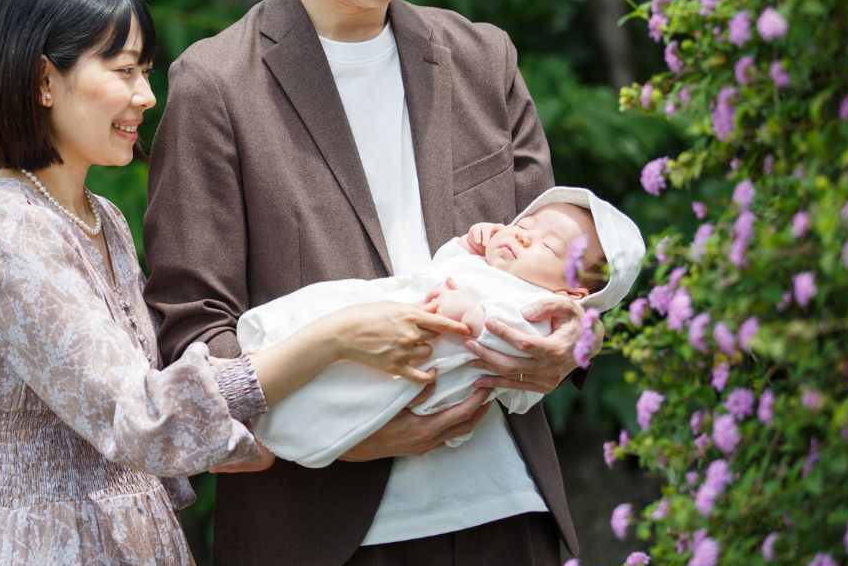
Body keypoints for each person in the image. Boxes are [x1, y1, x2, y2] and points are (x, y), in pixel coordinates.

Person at [145, 0, 602, 566]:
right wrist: (344, 442)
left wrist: (573, 341)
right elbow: (194, 338)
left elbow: (568, 267)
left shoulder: (482, 61)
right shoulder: (215, 86)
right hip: (325, 546)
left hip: (506, 515)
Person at [0, 0, 471, 566]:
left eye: (144, 70)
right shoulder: (6, 235)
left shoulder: (103, 220)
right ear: (46, 79)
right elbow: (142, 416)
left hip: (145, 562)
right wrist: (332, 340)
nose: (145, 95)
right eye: (123, 69)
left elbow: (166, 438)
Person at [240, 188, 645, 468]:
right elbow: (443, 270)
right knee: (326, 325)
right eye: (526, 224)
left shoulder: (535, 308)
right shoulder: (493, 266)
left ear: (569, 293)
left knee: (350, 392)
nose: (523, 237)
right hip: (383, 322)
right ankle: (270, 360)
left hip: (424, 370)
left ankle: (282, 425)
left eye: (548, 246)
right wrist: (466, 245)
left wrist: (475, 317)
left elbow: (517, 340)